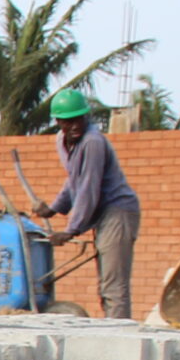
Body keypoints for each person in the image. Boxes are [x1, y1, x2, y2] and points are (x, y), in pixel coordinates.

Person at [31, 89, 140, 319]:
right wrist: (54, 208)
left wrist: (72, 229)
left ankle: (119, 334)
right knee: (105, 285)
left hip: (117, 211)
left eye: (79, 119)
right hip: (101, 213)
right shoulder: (62, 141)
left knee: (113, 285)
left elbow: (89, 187)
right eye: (68, 122)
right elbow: (74, 180)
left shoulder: (92, 142)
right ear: (58, 122)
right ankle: (111, 328)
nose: (74, 126)